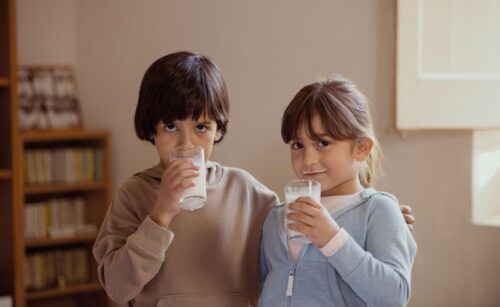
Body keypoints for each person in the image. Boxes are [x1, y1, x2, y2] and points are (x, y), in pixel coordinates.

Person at [93, 51, 415, 307]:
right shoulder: (133, 194)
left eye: (201, 127)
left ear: (218, 129)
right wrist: (160, 213)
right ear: (151, 129)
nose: (186, 144)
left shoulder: (246, 191)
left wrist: (386, 222)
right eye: (171, 127)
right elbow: (118, 288)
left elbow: (297, 233)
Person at [259, 74, 417, 307]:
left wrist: (332, 239)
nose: (308, 159)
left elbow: (394, 297)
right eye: (298, 145)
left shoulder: (378, 210)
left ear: (361, 148)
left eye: (323, 143)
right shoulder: (275, 218)